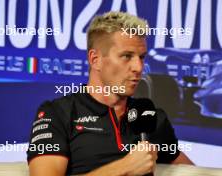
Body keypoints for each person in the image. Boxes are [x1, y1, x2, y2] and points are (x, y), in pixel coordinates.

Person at [27, 11, 194, 176]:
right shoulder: (57, 114)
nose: (138, 67)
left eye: (141, 57)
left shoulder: (152, 118)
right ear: (95, 60)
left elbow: (194, 172)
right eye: (127, 56)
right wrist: (125, 168)